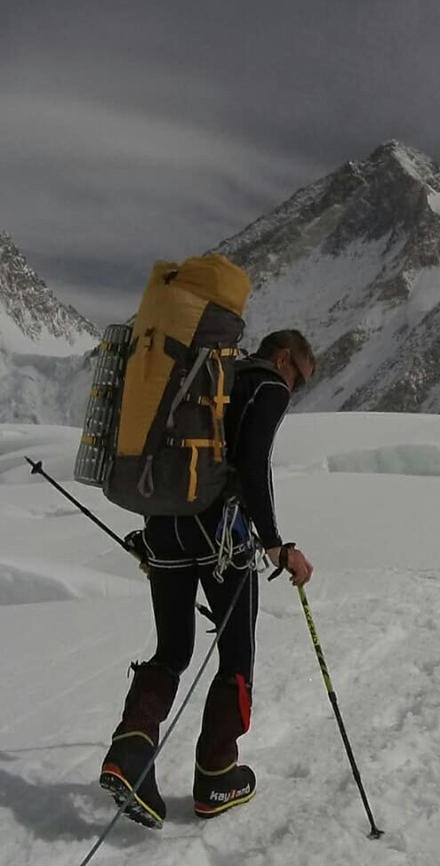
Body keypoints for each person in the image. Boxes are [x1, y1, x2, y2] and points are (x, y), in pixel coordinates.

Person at [99, 329, 315, 828]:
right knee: (237, 655)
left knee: (172, 651)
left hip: (163, 528)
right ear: (283, 358)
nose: (295, 391)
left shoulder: (210, 377)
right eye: (299, 378)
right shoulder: (266, 386)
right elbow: (255, 463)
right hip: (222, 536)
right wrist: (275, 542)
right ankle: (216, 775)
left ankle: (129, 754)